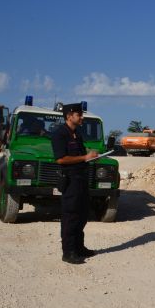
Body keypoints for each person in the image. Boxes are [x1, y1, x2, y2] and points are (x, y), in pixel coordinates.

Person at [51, 103, 97, 264]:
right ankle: (68, 252)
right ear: (69, 116)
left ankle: (79, 247)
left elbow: (80, 155)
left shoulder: (77, 133)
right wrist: (85, 158)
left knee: (82, 214)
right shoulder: (59, 134)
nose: (82, 117)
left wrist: (90, 157)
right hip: (70, 180)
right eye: (79, 115)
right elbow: (60, 159)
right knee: (71, 216)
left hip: (81, 179)